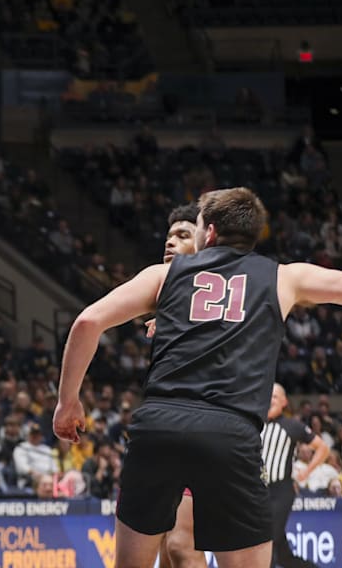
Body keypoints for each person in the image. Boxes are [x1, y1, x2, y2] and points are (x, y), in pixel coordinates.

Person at [54, 187, 342, 568]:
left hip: (158, 427)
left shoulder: (165, 274)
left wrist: (67, 401)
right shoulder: (285, 278)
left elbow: (88, 321)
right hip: (229, 432)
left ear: (211, 232)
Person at [149, 204, 206, 568]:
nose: (170, 242)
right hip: (166, 429)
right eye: (169, 236)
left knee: (182, 547)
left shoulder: (211, 290)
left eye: (182, 235)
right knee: (166, 547)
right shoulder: (164, 290)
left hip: (202, 428)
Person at [262, 384, 327, 568]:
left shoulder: (292, 426)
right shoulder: (256, 425)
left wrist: (307, 471)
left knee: (268, 541)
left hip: (281, 491)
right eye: (268, 395)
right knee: (284, 557)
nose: (270, 400)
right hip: (258, 492)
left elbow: (323, 448)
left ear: (284, 402)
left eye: (275, 396)